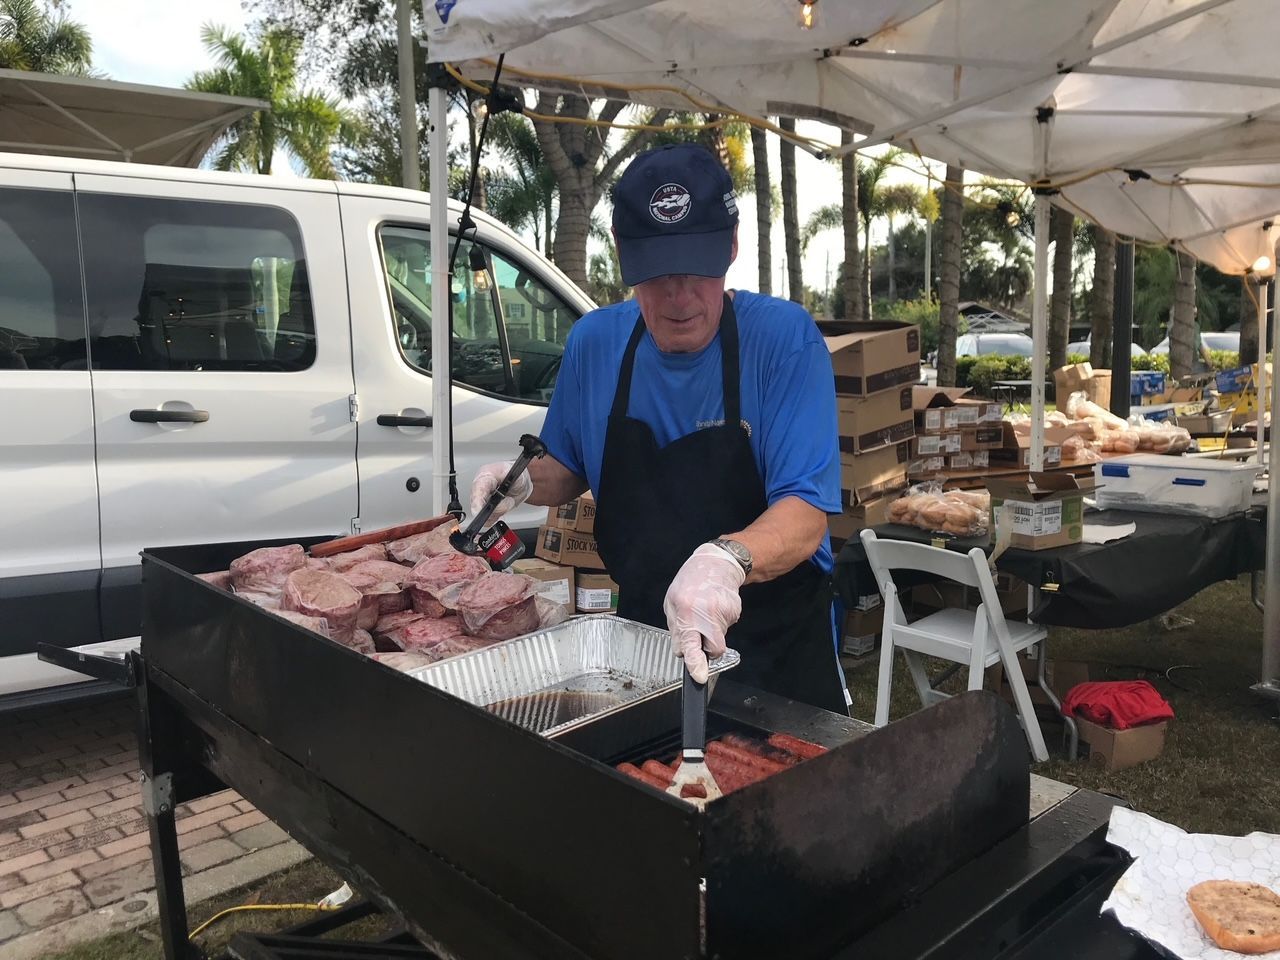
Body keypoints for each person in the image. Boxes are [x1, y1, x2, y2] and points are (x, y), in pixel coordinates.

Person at [471, 143, 849, 714]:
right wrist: (519, 480)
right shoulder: (594, 343)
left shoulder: (783, 341)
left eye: (697, 267)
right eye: (655, 272)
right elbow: (569, 467)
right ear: (623, 254)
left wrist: (726, 561)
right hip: (644, 650)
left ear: (731, 245)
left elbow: (805, 516)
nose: (678, 295)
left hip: (776, 654)